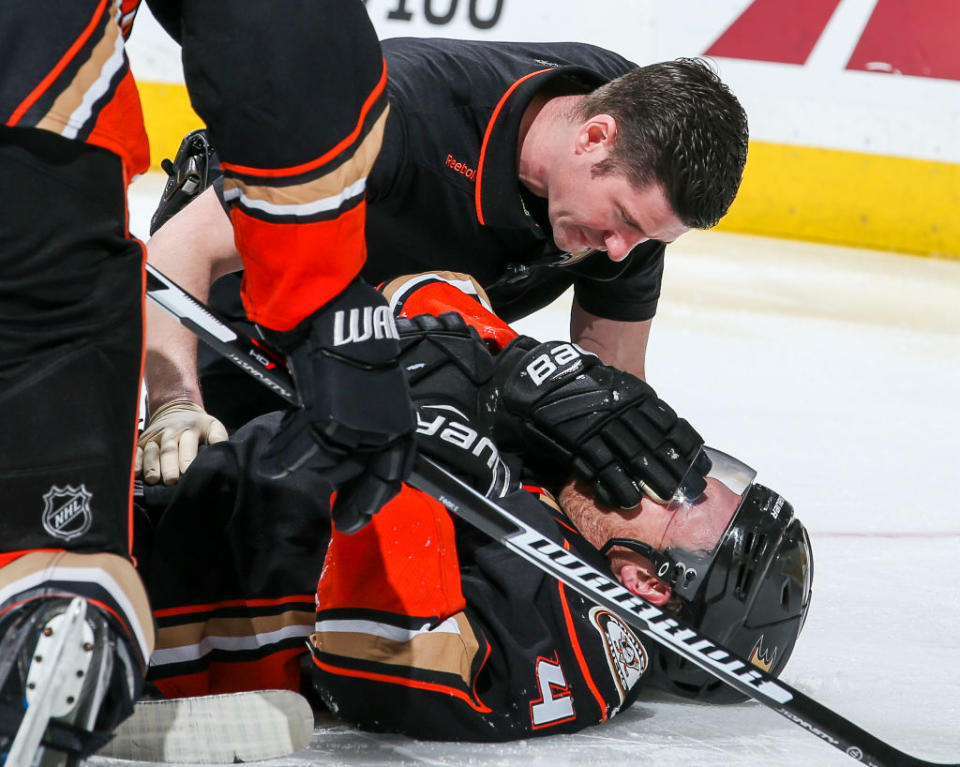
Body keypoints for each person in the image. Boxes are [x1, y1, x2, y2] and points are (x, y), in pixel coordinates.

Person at [135, 273, 812, 743]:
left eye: (681, 493)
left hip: (137, 600)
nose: (654, 469)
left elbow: (375, 651)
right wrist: (517, 368)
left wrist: (426, 437)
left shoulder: (592, 644)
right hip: (159, 491)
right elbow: (433, 288)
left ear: (648, 583)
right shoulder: (573, 488)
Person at [0, 1, 414, 763]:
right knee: (47, 565)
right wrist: (324, 301)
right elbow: (271, 24)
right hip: (30, 146)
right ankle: (43, 611)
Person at [138, 36, 748, 488]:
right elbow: (178, 252)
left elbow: (612, 373)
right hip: (242, 323)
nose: (621, 253)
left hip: (392, 343)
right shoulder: (398, 116)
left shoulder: (635, 161)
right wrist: (173, 403)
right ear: (593, 138)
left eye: (649, 242)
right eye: (625, 223)